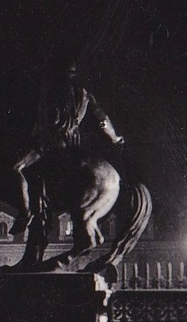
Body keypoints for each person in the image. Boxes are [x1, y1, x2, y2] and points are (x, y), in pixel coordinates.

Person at [12, 56, 123, 213]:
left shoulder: (52, 93)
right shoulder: (86, 95)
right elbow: (103, 121)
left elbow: (51, 120)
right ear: (74, 75)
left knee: (17, 168)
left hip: (51, 142)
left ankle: (25, 212)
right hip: (74, 143)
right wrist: (115, 138)